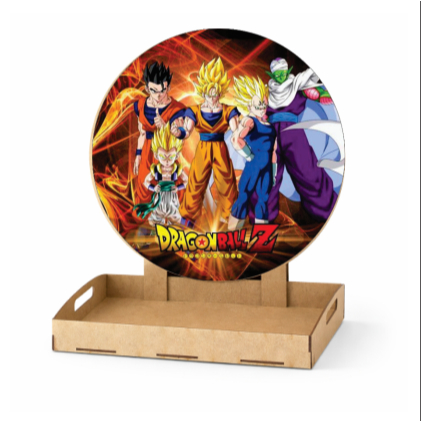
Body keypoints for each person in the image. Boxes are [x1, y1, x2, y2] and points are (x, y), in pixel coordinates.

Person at [171, 57, 240, 229]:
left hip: (220, 148)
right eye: (209, 93)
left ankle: (231, 215)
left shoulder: (228, 110)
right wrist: (178, 133)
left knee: (226, 182)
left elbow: (236, 129)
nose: (213, 97)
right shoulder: (194, 111)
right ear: (203, 91)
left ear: (221, 92)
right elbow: (187, 131)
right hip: (203, 148)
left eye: (216, 93)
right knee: (196, 181)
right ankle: (188, 216)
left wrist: (240, 133)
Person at [133, 61, 185, 219]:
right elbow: (142, 133)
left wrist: (165, 127)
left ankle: (171, 219)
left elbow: (181, 137)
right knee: (144, 187)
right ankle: (147, 222)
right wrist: (138, 155)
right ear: (147, 88)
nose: (158, 95)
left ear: (168, 88)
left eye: (162, 90)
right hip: (147, 152)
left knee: (170, 188)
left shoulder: (176, 108)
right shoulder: (141, 105)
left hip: (166, 153)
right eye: (154, 91)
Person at [228, 76, 277, 230]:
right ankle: (233, 232)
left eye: (263, 103)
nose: (262, 107)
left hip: (267, 167)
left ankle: (261, 232)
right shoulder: (249, 120)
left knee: (263, 198)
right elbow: (236, 139)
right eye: (258, 105)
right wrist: (248, 155)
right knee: (244, 195)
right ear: (249, 105)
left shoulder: (269, 125)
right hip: (254, 164)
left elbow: (274, 151)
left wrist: (273, 171)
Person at [134, 123, 187, 226]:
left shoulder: (177, 169)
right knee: (154, 220)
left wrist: (178, 187)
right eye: (163, 156)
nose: (167, 161)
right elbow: (146, 181)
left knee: (175, 219)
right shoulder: (156, 169)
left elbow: (186, 181)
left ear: (176, 155)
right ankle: (158, 230)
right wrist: (153, 188)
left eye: (170, 157)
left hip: (172, 197)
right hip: (159, 197)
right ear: (156, 155)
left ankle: (181, 227)